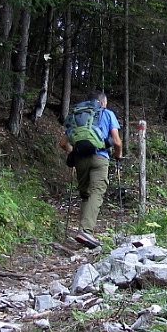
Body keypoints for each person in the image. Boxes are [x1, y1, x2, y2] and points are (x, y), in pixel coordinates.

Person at [58, 90, 123, 249]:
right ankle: (86, 231)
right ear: (102, 102)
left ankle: (84, 232)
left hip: (80, 158)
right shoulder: (107, 113)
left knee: (86, 194)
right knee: (96, 192)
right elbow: (117, 141)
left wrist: (75, 151)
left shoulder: (76, 116)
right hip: (100, 158)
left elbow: (63, 144)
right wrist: (118, 155)